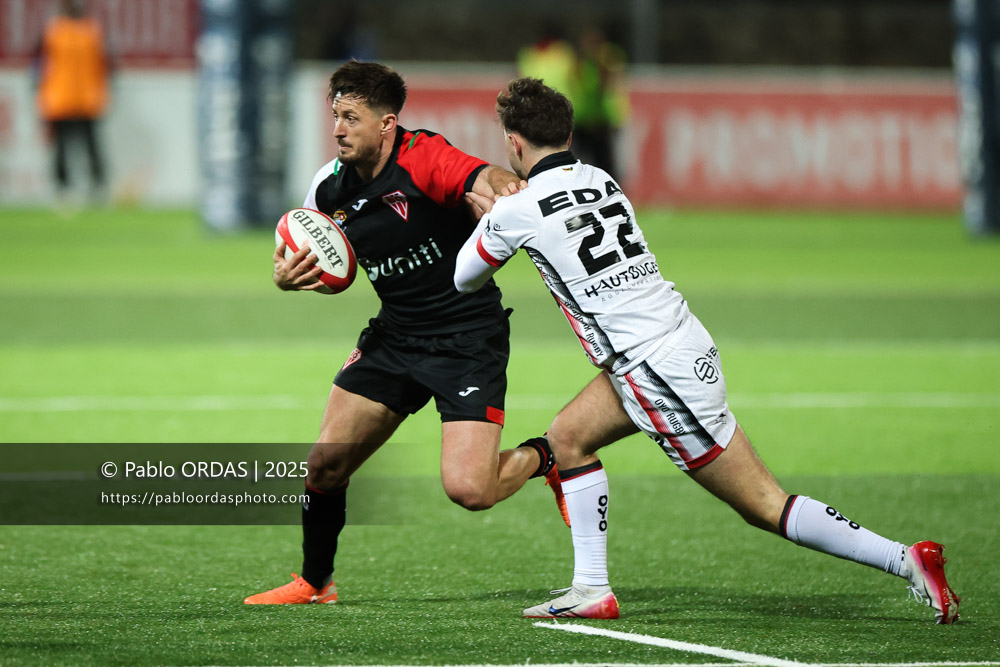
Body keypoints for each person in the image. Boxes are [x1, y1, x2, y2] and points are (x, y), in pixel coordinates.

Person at [454, 77, 960, 624]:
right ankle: (591, 589)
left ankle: (907, 560)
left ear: (513, 143)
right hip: (673, 340)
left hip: (652, 369)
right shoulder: (600, 178)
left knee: (765, 504)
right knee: (568, 439)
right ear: (570, 132)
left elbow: (464, 278)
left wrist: (488, 219)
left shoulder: (516, 211)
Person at [245, 62, 565, 605]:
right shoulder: (327, 189)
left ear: (387, 123)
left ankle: (548, 456)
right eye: (335, 116)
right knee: (325, 462)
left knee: (471, 490)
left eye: (351, 117)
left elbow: (476, 176)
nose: (338, 129)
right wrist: (289, 279)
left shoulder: (422, 156)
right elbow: (334, 273)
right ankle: (315, 583)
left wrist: (505, 185)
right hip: (396, 337)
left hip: (466, 338)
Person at [34, 0, 111, 205]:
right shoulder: (53, 31)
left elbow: (107, 64)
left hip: (88, 97)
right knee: (61, 146)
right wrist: (39, 93)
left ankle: (97, 187)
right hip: (60, 98)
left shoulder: (93, 31)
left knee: (92, 145)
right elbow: (38, 65)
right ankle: (63, 188)